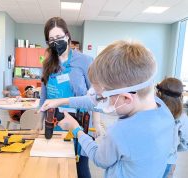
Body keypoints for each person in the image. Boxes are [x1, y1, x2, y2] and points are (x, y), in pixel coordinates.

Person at [40, 40, 175, 178]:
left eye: (102, 97)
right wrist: (63, 101)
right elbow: (94, 103)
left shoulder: (121, 132)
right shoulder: (162, 110)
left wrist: (76, 130)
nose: (99, 101)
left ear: (126, 98)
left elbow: (99, 158)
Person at [36, 17, 98, 178]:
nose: (56, 42)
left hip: (80, 121)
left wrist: (97, 124)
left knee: (80, 167)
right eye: (51, 40)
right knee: (57, 165)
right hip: (54, 121)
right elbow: (44, 96)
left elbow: (95, 94)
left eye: (59, 38)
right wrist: (39, 123)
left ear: (68, 36)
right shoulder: (47, 63)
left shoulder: (85, 61)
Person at [156, 78, 188, 178]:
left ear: (158, 93)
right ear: (181, 96)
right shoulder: (182, 116)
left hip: (149, 158)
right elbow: (185, 142)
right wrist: (174, 149)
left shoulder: (150, 111)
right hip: (169, 160)